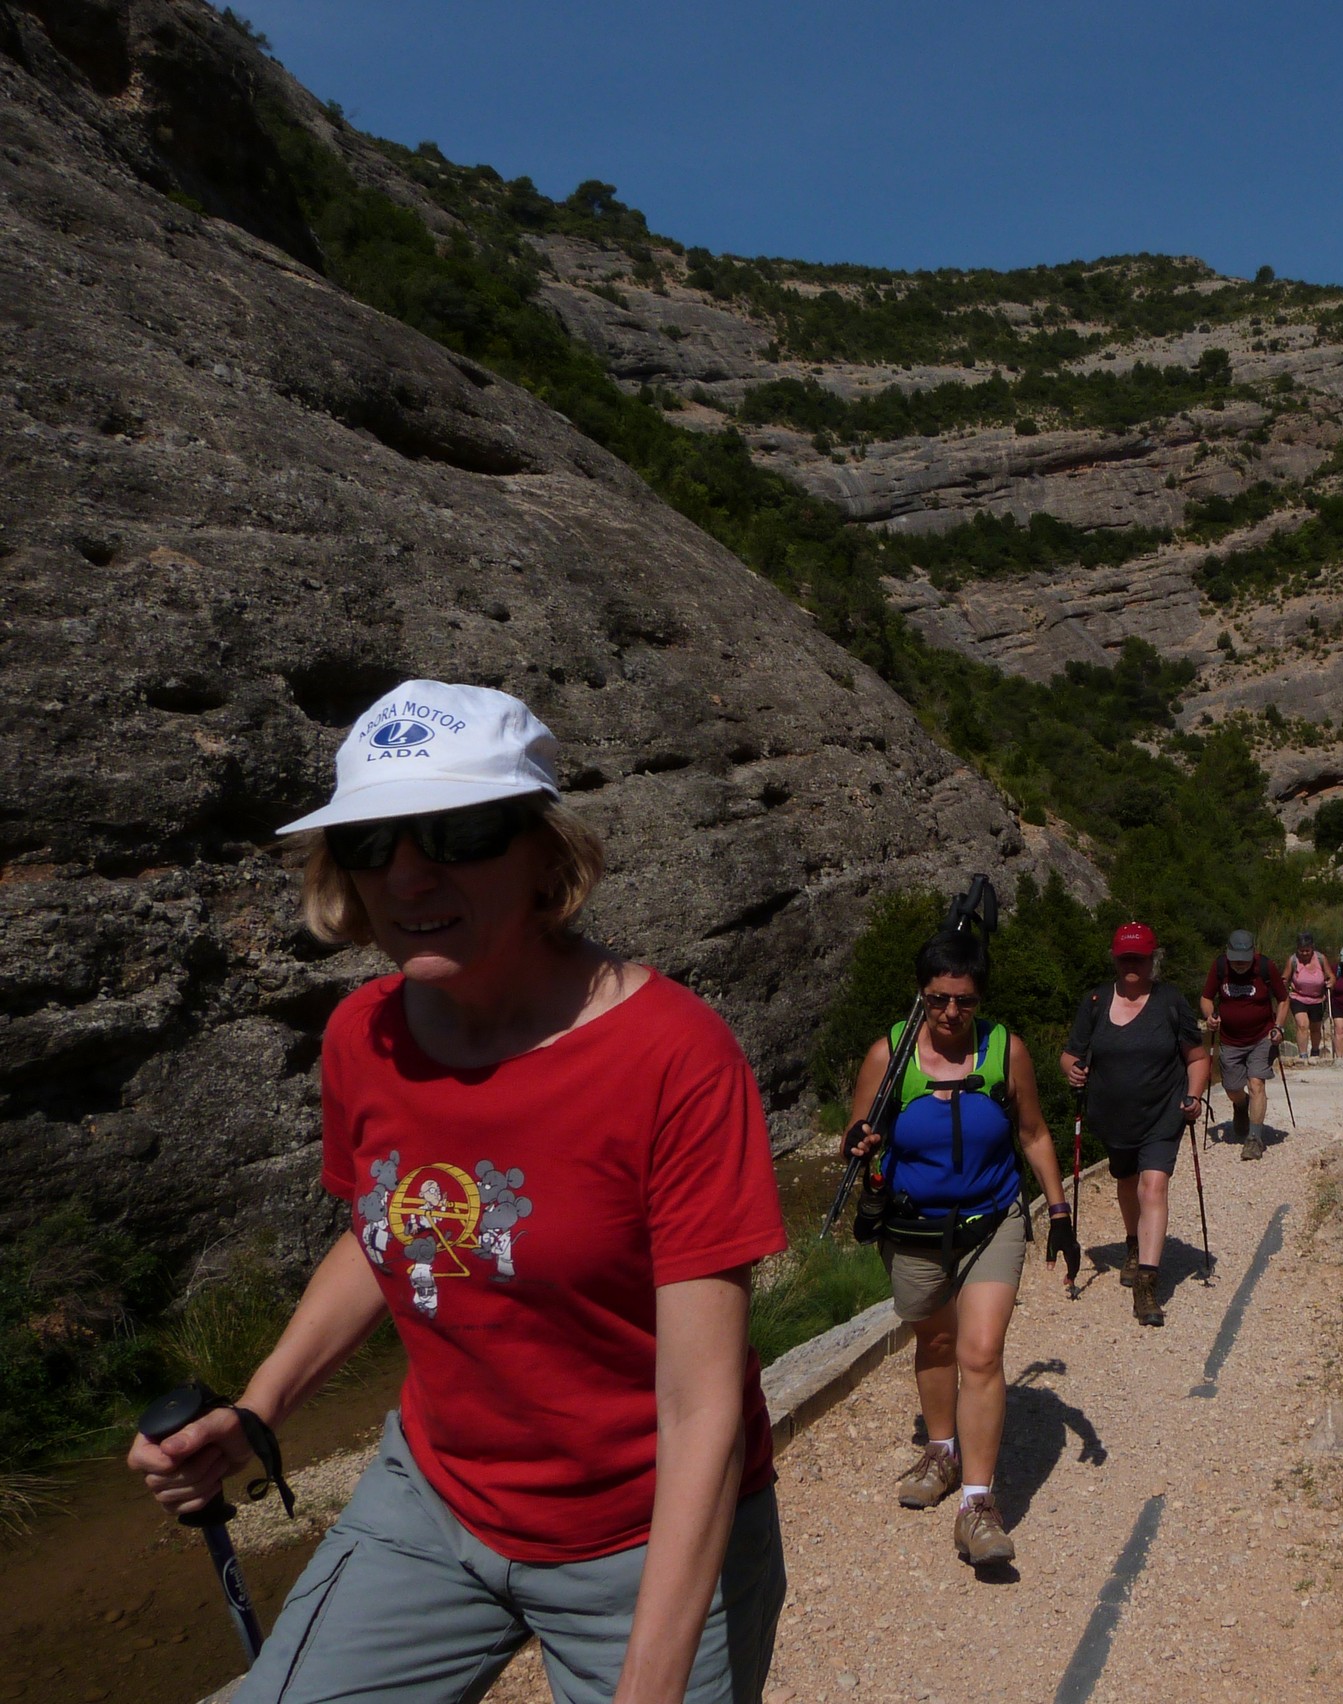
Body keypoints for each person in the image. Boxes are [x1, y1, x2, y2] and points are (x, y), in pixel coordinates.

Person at [128, 680, 790, 1704]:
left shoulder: (673, 1057)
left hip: (642, 1537)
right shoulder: (366, 1035)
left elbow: (702, 1408)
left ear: (544, 852)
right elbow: (383, 1232)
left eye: (456, 832)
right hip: (431, 1505)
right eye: (370, 842)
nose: (406, 875)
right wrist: (259, 1411)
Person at [842, 930, 1075, 1568]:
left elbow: (1033, 1132)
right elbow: (855, 1133)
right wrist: (860, 1140)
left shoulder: (1006, 1050)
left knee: (981, 1351)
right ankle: (941, 1451)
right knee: (937, 1341)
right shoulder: (889, 1055)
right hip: (912, 1226)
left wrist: (1059, 1211)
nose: (951, 1012)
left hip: (991, 1220)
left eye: (965, 1001)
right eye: (938, 999)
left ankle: (978, 1505)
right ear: (921, 996)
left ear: (980, 999)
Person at [1061, 922, 1208, 1327]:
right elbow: (1070, 1054)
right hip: (1113, 1117)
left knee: (1153, 1185)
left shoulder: (1170, 1001)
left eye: (1139, 959)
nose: (1132, 966)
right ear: (1115, 959)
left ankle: (1147, 1284)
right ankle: (1133, 1243)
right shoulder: (1095, 1001)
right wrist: (1072, 1070)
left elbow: (1197, 1058)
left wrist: (1194, 1096)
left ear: (1152, 960)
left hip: (1163, 1112)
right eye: (1125, 958)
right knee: (1126, 1182)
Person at [1200, 928, 1289, 1160]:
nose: (1239, 964)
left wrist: (1279, 1027)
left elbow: (1283, 999)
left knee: (1256, 1083)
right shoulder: (1220, 967)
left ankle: (1254, 1139)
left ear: (1252, 954)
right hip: (1230, 1039)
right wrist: (1209, 1016)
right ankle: (1241, 1106)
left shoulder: (1265, 967)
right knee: (1232, 1088)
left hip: (1261, 1037)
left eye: (1244, 960)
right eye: (1236, 960)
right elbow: (1206, 997)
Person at [1286, 930, 1333, 1061]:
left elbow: (1331, 976)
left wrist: (1331, 982)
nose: (1304, 953)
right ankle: (1303, 1055)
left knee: (1315, 1027)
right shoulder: (1293, 960)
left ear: (1312, 947)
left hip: (1317, 999)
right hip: (1298, 997)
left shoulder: (1321, 958)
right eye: (1301, 950)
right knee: (1302, 1025)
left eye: (1307, 950)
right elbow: (1285, 977)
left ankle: (1315, 1052)